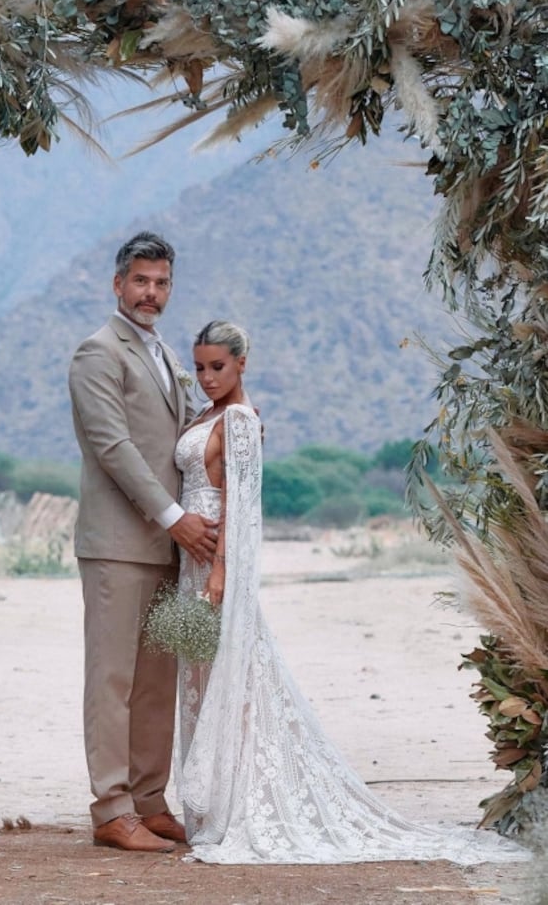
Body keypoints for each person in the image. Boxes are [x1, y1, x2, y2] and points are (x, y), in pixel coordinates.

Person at [173, 319, 528, 865]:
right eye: (199, 367)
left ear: (243, 363)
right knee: (204, 678)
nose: (206, 377)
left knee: (233, 676)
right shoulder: (206, 415)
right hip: (188, 558)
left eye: (217, 366)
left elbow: (243, 505)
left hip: (216, 559)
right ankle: (209, 801)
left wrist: (222, 573)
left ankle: (236, 799)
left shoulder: (241, 420)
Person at [68, 232, 218, 853]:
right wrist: (172, 516)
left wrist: (233, 419)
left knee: (158, 679)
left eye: (160, 283)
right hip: (119, 543)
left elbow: (180, 434)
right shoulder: (97, 354)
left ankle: (151, 801)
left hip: (168, 548)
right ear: (117, 284)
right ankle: (111, 808)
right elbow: (113, 448)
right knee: (113, 678)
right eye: (140, 281)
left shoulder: (163, 355)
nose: (150, 293)